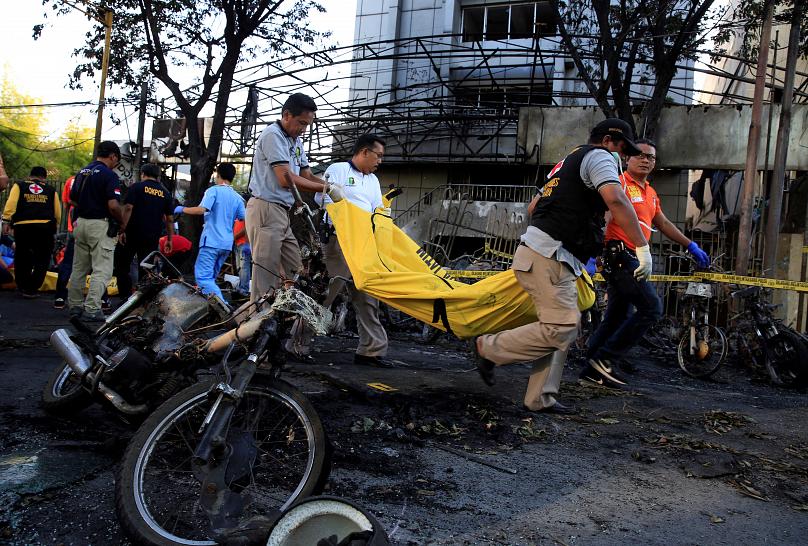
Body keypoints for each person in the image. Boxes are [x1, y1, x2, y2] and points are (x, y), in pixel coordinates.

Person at [472, 118, 651, 414]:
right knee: (561, 325)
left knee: (564, 327)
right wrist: (642, 247)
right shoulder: (600, 157)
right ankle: (488, 348)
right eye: (623, 150)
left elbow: (533, 208)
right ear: (608, 140)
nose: (623, 157)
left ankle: (540, 398)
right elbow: (616, 199)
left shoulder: (567, 162)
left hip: (549, 254)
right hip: (549, 256)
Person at [585, 139, 710, 382]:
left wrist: (690, 245)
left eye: (651, 157)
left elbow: (662, 223)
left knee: (617, 315)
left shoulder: (650, 193)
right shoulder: (618, 183)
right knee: (651, 308)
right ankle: (605, 359)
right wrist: (593, 253)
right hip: (619, 255)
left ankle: (591, 368)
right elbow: (605, 217)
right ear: (627, 159)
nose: (646, 159)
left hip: (635, 258)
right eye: (640, 155)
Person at [246, 93, 342, 303]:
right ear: (286, 115)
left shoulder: (295, 141)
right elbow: (285, 178)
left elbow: (306, 174)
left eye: (307, 125)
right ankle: (254, 325)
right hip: (266, 208)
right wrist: (326, 188)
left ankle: (282, 314)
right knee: (265, 275)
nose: (304, 129)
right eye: (301, 123)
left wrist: (329, 186)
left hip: (282, 211)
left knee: (295, 269)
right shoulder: (273, 135)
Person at [307, 134, 390, 366]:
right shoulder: (339, 169)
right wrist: (349, 218)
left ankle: (370, 350)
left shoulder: (372, 180)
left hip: (364, 243)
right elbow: (321, 199)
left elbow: (377, 210)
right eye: (378, 156)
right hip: (338, 239)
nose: (380, 161)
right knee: (328, 292)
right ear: (364, 152)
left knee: (367, 295)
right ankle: (297, 343)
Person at [67, 140, 124, 322]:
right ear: (113, 156)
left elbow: (72, 199)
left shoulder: (82, 172)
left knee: (79, 268)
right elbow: (113, 205)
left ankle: (75, 306)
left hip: (80, 223)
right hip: (100, 224)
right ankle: (92, 308)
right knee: (102, 269)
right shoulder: (109, 175)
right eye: (117, 160)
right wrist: (121, 222)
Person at [174, 162, 245, 302]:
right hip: (226, 245)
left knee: (203, 278)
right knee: (211, 278)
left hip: (211, 242)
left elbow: (202, 209)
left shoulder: (213, 191)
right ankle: (209, 308)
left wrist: (182, 209)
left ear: (218, 175)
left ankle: (223, 307)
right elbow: (244, 219)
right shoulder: (237, 197)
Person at [113, 163, 175, 302]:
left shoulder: (137, 187)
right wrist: (170, 239)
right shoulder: (165, 193)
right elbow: (169, 219)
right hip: (151, 236)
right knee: (146, 268)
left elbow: (128, 208)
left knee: (121, 265)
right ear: (158, 177)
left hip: (131, 233)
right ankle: (141, 300)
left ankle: (125, 296)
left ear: (143, 174)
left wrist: (122, 228)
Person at [2, 166, 62, 297]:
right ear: (44, 178)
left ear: (30, 176)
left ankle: (23, 286)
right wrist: (55, 225)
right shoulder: (51, 190)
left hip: (23, 227)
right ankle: (33, 288)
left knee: (22, 257)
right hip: (45, 228)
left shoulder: (19, 185)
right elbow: (57, 211)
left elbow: (11, 203)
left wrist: (6, 220)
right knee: (42, 259)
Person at [233, 218, 251, 295]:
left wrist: (234, 237)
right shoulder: (237, 216)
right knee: (239, 267)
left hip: (244, 244)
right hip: (237, 244)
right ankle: (241, 288)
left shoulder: (245, 213)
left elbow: (247, 228)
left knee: (244, 267)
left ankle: (244, 290)